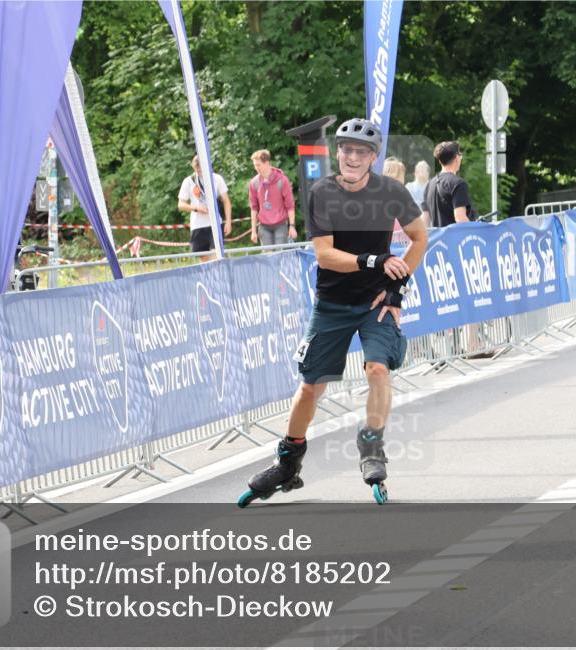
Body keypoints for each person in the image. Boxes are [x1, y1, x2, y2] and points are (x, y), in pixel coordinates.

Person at [237, 118, 428, 507]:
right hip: (333, 303)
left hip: (376, 302)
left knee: (377, 369)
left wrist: (396, 286)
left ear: (373, 157)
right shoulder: (323, 192)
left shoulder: (391, 191)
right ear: (337, 151)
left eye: (362, 151)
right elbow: (324, 254)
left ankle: (371, 443)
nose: (353, 157)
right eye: (346, 149)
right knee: (311, 386)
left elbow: (419, 236)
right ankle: (288, 462)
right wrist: (375, 261)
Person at [177, 155, 231, 262]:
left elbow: (226, 201)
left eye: (201, 168)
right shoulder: (189, 181)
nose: (199, 171)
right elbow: (181, 205)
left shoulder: (216, 178)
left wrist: (228, 222)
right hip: (198, 225)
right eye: (196, 168)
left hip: (215, 222)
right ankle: (212, 277)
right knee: (205, 259)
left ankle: (221, 273)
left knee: (217, 256)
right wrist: (196, 208)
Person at [248, 149, 297, 248]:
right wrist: (253, 230)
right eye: (254, 165)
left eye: (258, 165)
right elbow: (254, 208)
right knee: (267, 258)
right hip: (264, 226)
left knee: (279, 255)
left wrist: (292, 226)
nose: (256, 168)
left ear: (267, 163)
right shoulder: (254, 183)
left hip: (280, 225)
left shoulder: (282, 181)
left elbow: (290, 206)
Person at [421, 141, 475, 227]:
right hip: (455, 239)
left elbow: (425, 220)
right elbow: (460, 219)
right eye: (460, 155)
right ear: (457, 157)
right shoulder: (458, 183)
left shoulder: (429, 185)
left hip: (436, 239)